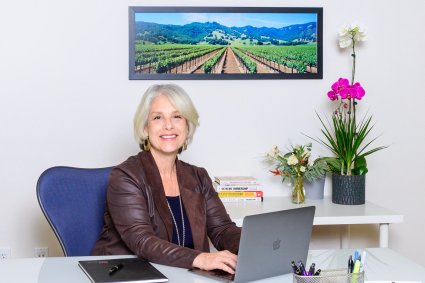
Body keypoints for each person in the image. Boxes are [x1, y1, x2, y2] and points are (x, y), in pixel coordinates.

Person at [92, 84, 241, 274]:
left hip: (182, 275)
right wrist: (200, 258)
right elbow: (142, 240)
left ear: (187, 126)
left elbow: (222, 229)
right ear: (145, 128)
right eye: (158, 117)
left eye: (177, 116)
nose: (168, 125)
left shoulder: (198, 177)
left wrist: (255, 246)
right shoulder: (126, 176)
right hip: (126, 274)